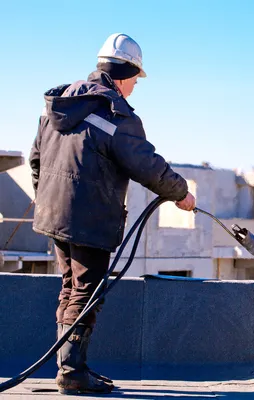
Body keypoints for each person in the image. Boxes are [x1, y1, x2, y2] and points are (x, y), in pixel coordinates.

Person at [28, 33, 196, 395]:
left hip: (55, 214)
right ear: (123, 74)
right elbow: (146, 164)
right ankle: (72, 374)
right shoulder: (115, 114)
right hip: (89, 219)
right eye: (136, 78)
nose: (136, 85)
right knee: (85, 292)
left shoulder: (60, 106)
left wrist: (48, 198)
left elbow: (36, 160)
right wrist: (181, 193)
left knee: (71, 287)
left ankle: (73, 367)